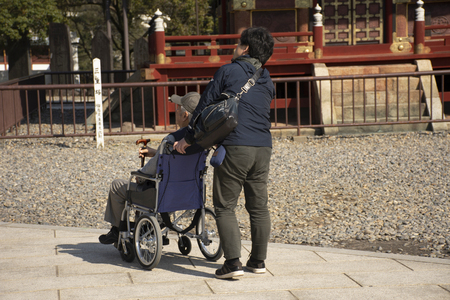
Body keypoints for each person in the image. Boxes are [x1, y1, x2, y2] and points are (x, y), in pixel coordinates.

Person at [174, 27, 275, 279]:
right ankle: (258, 261)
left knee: (225, 206)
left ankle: (232, 264)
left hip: (235, 147)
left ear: (246, 48)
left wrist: (187, 139)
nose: (234, 47)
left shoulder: (228, 71)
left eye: (238, 44)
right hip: (263, 147)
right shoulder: (267, 78)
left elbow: (203, 106)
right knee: (259, 207)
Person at [99, 92, 203, 244]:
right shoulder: (203, 139)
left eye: (179, 109)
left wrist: (139, 176)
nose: (177, 112)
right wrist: (156, 152)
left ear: (185, 115)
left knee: (117, 185)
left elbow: (150, 171)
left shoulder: (171, 140)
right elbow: (176, 157)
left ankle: (116, 229)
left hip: (163, 194)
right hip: (189, 192)